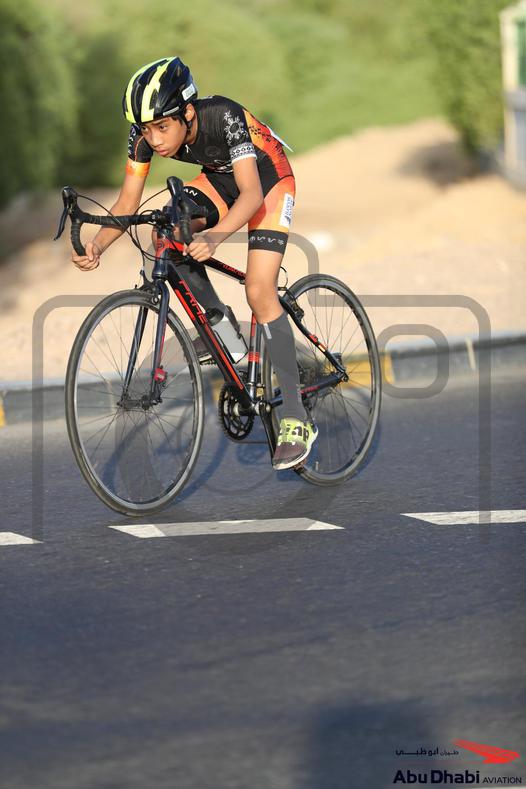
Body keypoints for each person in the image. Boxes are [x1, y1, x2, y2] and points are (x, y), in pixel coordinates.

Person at [71, 56, 318, 470]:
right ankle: (223, 328)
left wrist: (215, 237)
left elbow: (251, 194)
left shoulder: (225, 116)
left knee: (259, 290)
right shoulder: (143, 134)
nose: (154, 139)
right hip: (219, 178)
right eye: (146, 130)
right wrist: (98, 245)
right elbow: (128, 201)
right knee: (166, 231)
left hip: (268, 181)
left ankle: (295, 417)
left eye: (161, 127)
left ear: (187, 112)